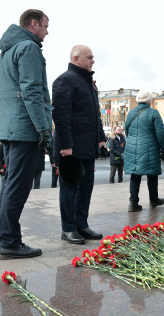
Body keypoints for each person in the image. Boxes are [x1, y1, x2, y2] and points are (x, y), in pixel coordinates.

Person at [0, 9, 53, 260]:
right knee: (17, 187)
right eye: (46, 26)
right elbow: (32, 91)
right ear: (33, 23)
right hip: (25, 127)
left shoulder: (6, 51)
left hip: (10, 127)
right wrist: (43, 129)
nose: (48, 31)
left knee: (8, 186)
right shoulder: (29, 48)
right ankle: (10, 242)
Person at [52, 44, 106, 245]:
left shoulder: (88, 82)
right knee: (69, 189)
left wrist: (101, 138)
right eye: (89, 57)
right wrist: (66, 145)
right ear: (76, 58)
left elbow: (95, 115)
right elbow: (61, 116)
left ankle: (81, 224)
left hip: (88, 146)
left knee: (85, 188)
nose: (93, 60)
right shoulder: (65, 80)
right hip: (71, 148)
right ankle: (68, 228)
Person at [124, 90, 164, 211]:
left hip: (132, 147)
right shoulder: (153, 113)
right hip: (150, 147)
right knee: (152, 175)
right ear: (150, 101)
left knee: (135, 175)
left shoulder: (130, 113)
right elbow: (161, 134)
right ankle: (154, 199)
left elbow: (127, 130)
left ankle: (133, 203)